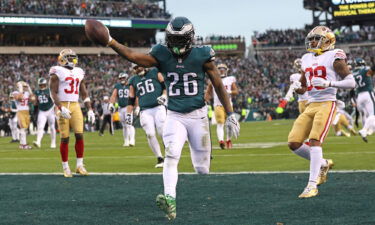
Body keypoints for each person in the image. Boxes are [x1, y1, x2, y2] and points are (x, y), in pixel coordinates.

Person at [101, 16, 240, 220]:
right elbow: (133, 56)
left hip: (199, 117)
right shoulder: (161, 53)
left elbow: (218, 85)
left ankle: (202, 156)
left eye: (179, 39)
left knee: (202, 168)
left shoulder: (203, 55)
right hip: (174, 115)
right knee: (172, 155)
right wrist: (111, 41)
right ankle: (170, 199)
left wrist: (230, 113)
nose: (174, 44)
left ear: (190, 37)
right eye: (172, 39)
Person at [288, 26, 355, 198]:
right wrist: (298, 88)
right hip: (311, 104)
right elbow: (304, 87)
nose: (311, 42)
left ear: (327, 40)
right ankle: (323, 164)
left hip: (327, 102)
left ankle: (312, 185)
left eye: (316, 38)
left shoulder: (335, 55)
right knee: (294, 143)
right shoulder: (306, 58)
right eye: (311, 39)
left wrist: (330, 84)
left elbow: (351, 82)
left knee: (314, 140)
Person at [49, 49, 95, 177]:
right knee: (65, 137)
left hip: (75, 105)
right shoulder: (57, 71)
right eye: (69, 57)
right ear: (62, 59)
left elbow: (84, 92)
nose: (73, 60)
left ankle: (79, 165)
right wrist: (60, 107)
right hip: (62, 104)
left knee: (80, 135)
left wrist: (90, 109)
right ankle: (66, 167)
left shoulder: (79, 71)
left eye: (73, 57)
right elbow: (52, 92)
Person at [126, 64, 166, 168]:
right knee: (150, 134)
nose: (137, 69)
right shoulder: (133, 80)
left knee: (162, 131)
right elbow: (131, 98)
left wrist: (164, 95)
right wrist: (128, 113)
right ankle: (160, 158)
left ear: (143, 65)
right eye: (134, 68)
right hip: (145, 110)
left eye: (138, 66)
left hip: (158, 107)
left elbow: (164, 85)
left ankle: (169, 155)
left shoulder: (154, 71)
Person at [205, 63, 238, 149]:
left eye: (223, 69)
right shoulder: (213, 79)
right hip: (218, 105)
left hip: (228, 104)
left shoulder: (230, 79)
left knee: (230, 124)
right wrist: (205, 100)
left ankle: (228, 140)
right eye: (220, 69)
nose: (222, 70)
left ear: (226, 70)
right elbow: (208, 92)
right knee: (220, 124)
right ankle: (221, 141)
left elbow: (236, 91)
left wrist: (229, 92)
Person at [109, 72, 136, 147]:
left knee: (129, 124)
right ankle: (126, 141)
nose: (122, 79)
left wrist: (136, 106)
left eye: (123, 78)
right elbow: (114, 95)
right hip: (121, 108)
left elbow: (134, 95)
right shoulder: (117, 86)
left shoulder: (130, 85)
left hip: (128, 107)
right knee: (124, 125)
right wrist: (111, 104)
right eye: (120, 78)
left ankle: (132, 140)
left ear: (126, 78)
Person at [352, 58, 375, 142]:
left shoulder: (353, 73)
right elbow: (372, 70)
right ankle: (364, 129)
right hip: (367, 93)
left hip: (359, 96)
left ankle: (369, 130)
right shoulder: (365, 69)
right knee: (373, 114)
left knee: (368, 115)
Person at [33, 78, 57, 148]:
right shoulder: (37, 92)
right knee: (40, 127)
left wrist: (56, 110)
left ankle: (53, 143)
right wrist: (33, 100)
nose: (42, 86)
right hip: (42, 111)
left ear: (45, 84)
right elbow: (35, 103)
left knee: (52, 127)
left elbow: (54, 100)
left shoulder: (49, 91)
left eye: (43, 85)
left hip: (50, 110)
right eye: (40, 85)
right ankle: (38, 142)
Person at [12, 81, 35, 149]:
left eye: (25, 87)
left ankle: (22, 144)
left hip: (26, 111)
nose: (24, 88)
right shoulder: (15, 93)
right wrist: (21, 90)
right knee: (23, 128)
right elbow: (20, 98)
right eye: (23, 86)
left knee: (25, 129)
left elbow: (33, 99)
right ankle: (24, 145)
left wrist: (29, 89)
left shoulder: (27, 93)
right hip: (20, 111)